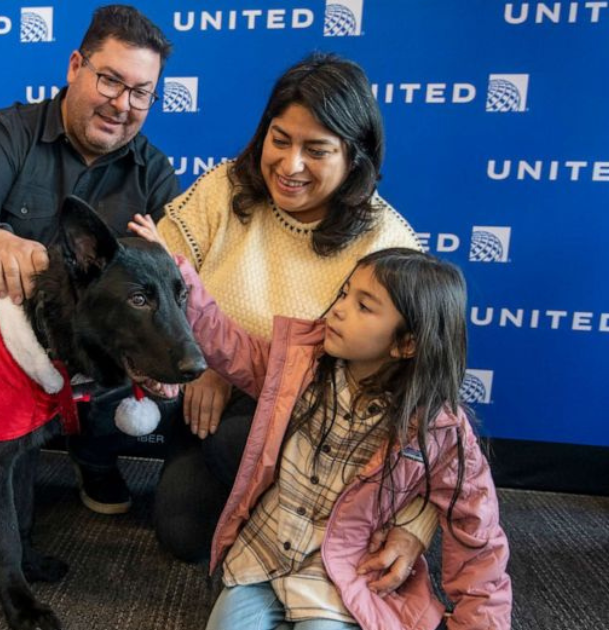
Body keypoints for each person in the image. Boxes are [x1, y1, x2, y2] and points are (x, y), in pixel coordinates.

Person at [129, 225, 513, 629]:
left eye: (365, 306)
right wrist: (173, 274)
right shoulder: (299, 366)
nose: (340, 309)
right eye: (345, 293)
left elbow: (478, 537)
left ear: (407, 344)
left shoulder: (440, 431)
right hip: (263, 553)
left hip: (341, 574)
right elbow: (230, 345)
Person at [148, 53, 439, 576]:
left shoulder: (390, 242)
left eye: (317, 150)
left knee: (238, 443)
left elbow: (428, 400)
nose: (290, 165)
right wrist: (203, 361)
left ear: (355, 156)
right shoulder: (224, 188)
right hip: (211, 397)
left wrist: (416, 520)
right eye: (279, 140)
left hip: (320, 425)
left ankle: (310, 529)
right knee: (181, 530)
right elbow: (159, 274)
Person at [0, 5, 179, 535]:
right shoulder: (9, 132)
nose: (122, 104)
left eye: (141, 93)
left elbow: (179, 278)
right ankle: (12, 453)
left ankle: (96, 456)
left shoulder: (154, 171)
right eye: (110, 80)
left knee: (171, 356)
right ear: (75, 66)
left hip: (94, 364)